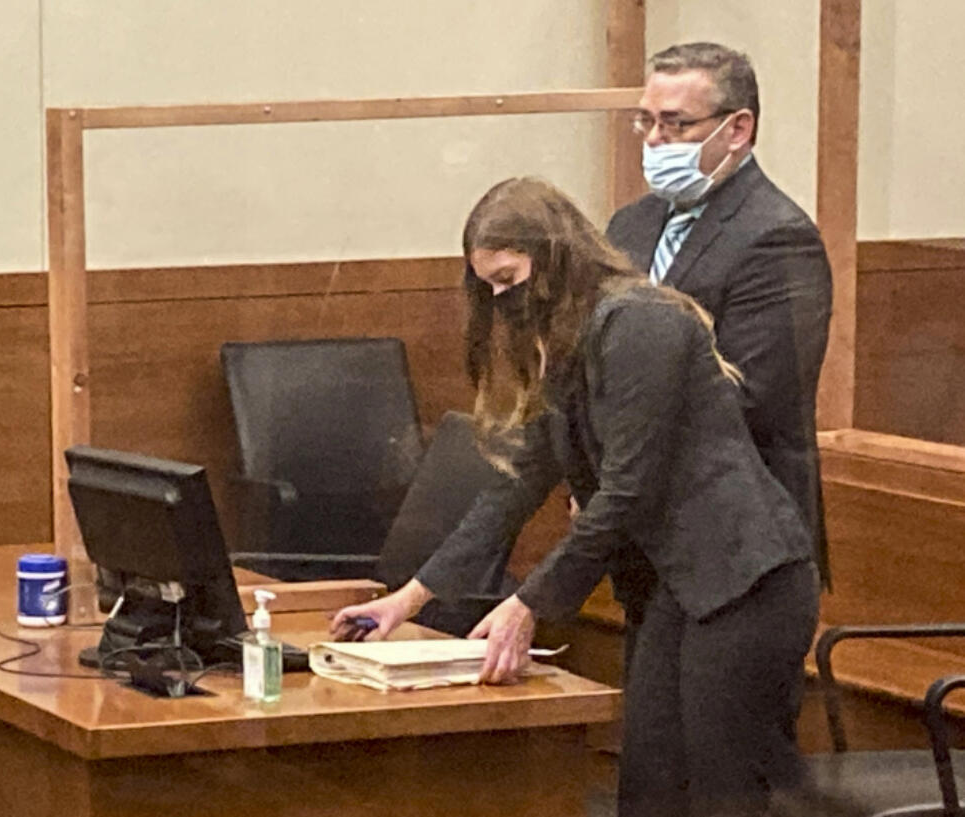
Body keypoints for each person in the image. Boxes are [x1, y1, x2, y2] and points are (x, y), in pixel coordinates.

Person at [332, 177, 819, 817]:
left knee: (719, 795)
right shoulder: (574, 339)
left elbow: (628, 491)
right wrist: (412, 596)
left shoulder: (640, 322)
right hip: (680, 585)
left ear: (554, 255)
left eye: (509, 279)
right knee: (647, 787)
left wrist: (529, 601)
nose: (503, 300)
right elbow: (517, 484)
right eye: (491, 289)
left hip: (745, 581)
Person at [609, 42, 832, 590]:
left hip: (740, 542)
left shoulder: (778, 236)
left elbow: (751, 395)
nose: (656, 140)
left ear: (737, 129)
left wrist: (619, 452)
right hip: (644, 538)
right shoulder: (630, 226)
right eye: (647, 122)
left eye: (676, 124)